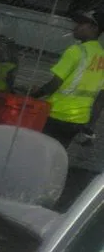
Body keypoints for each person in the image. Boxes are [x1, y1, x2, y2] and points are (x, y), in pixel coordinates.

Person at [22, 10, 104, 150]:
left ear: (94, 28)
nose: (75, 27)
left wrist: (32, 95)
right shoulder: (101, 56)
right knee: (56, 154)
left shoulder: (76, 51)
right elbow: (100, 97)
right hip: (79, 119)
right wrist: (90, 124)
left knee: (36, 151)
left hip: (56, 115)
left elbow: (55, 84)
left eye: (81, 24)